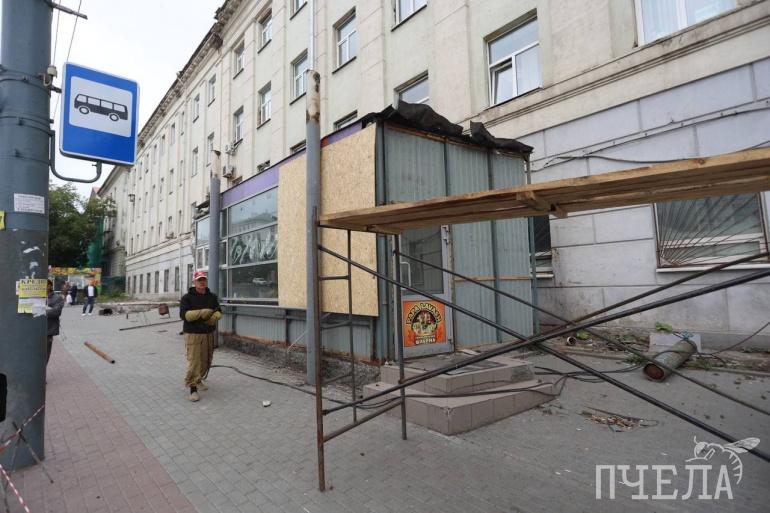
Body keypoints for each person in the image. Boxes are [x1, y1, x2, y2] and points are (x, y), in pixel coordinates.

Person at [179, 271, 222, 402]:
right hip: (194, 334)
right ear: (194, 282)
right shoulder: (187, 298)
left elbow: (219, 310)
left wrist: (215, 317)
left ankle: (198, 380)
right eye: (199, 280)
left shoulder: (212, 297)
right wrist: (201, 313)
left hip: (208, 333)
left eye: (204, 279)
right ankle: (192, 389)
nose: (202, 282)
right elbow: (184, 315)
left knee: (205, 360)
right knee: (194, 361)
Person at [46, 279, 64, 367]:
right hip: (34, 330)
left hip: (48, 330)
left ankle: (42, 372)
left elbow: (56, 312)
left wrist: (40, 310)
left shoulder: (57, 298)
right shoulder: (36, 297)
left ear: (50, 286)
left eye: (45, 285)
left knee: (45, 353)